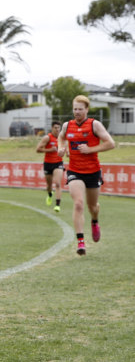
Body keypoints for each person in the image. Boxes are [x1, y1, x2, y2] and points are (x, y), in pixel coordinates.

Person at [58, 95, 115, 256]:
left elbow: (110, 143)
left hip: (93, 171)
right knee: (78, 204)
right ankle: (81, 241)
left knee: (93, 207)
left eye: (80, 109)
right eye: (75, 109)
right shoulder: (67, 125)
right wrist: (60, 149)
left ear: (87, 110)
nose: (77, 112)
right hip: (75, 171)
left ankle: (95, 221)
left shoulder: (94, 125)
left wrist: (90, 149)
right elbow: (61, 138)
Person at [36, 121, 65, 212]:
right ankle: (49, 194)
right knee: (49, 185)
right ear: (52, 128)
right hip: (48, 163)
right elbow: (38, 149)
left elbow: (65, 148)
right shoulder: (47, 138)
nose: (57, 129)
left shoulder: (62, 138)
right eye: (55, 128)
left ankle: (57, 205)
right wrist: (50, 150)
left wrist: (66, 152)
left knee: (57, 183)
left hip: (58, 163)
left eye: (58, 128)